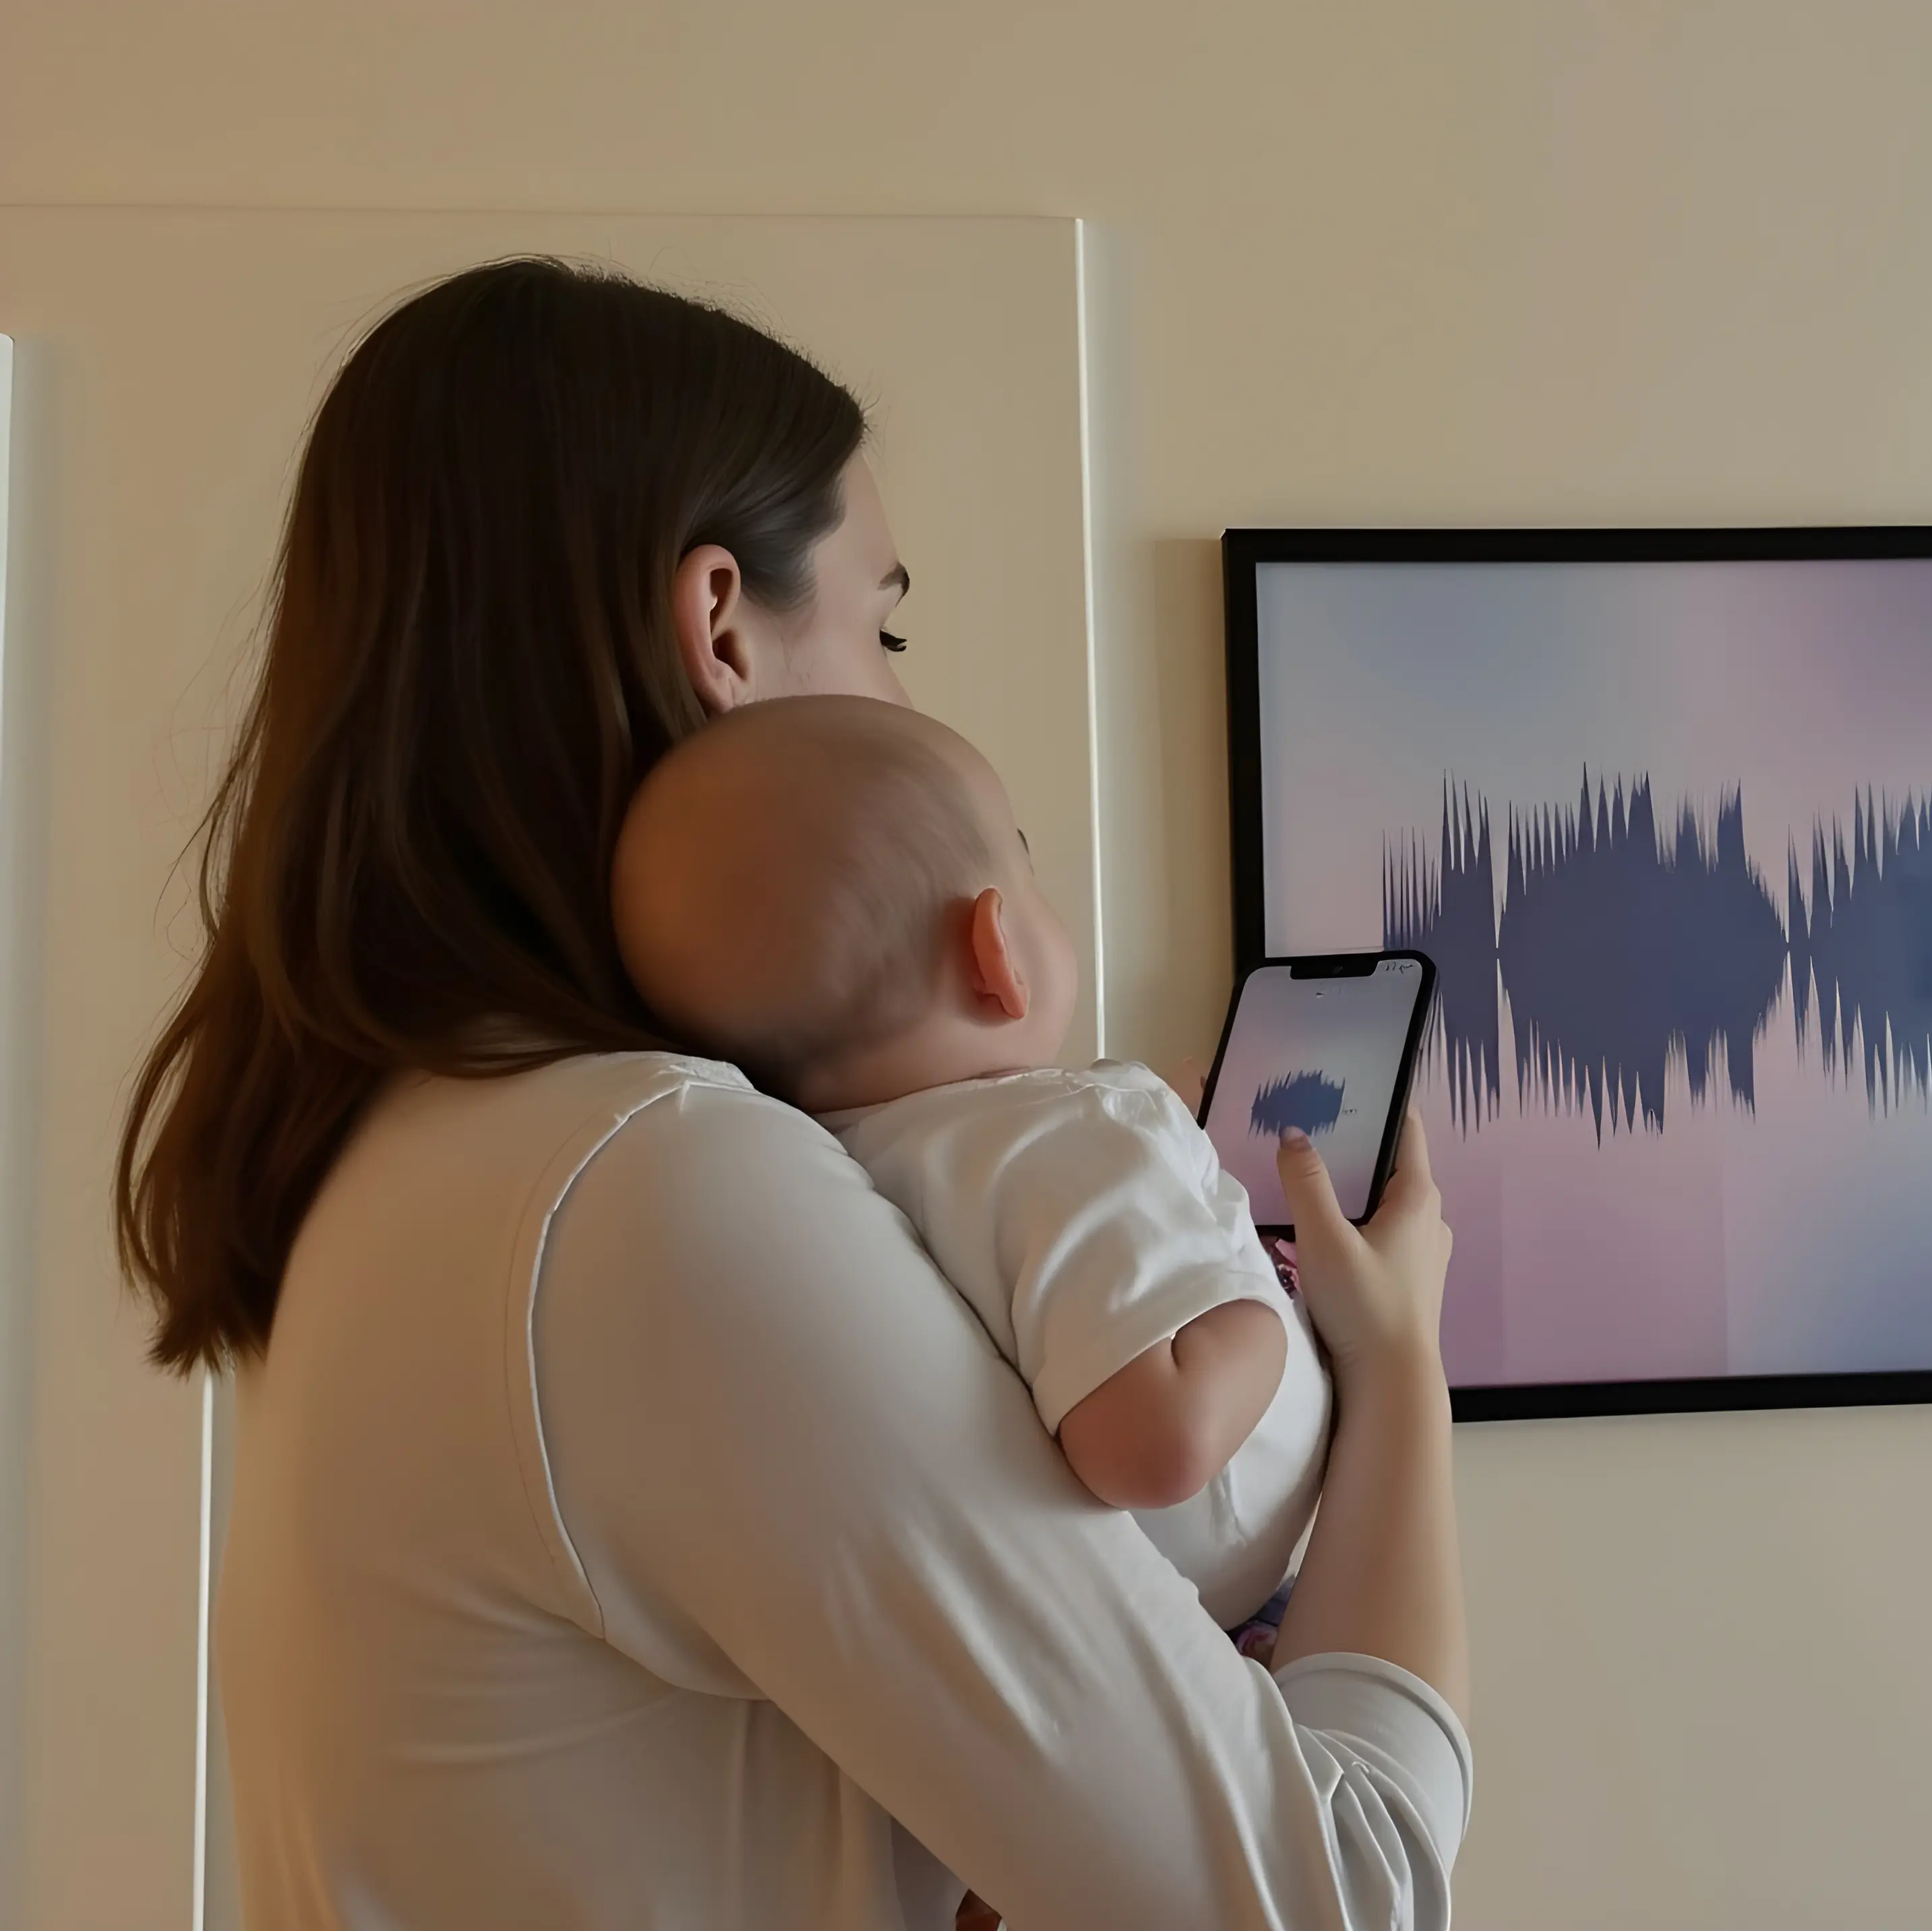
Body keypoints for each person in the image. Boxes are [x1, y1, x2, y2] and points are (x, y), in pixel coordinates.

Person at [115, 257, 1470, 1929]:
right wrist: (1397, 1366)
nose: (906, 697)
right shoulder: (653, 1198)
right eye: (884, 623)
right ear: (719, 629)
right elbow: (1336, 1898)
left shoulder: (417, 1168)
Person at [614, 694, 1333, 1651]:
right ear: (999, 952)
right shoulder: (1090, 1128)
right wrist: (1264, 1306)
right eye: (1028, 871)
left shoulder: (831, 1169)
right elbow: (1161, 1447)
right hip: (1232, 1629)